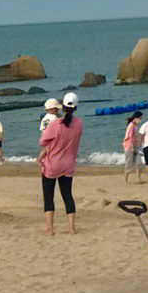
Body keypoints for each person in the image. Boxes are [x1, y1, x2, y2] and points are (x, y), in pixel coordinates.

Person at [38, 90, 83, 236]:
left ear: (62, 107)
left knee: (48, 196)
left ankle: (50, 228)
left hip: (52, 164)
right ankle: (71, 227)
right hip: (68, 164)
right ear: (76, 107)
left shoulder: (56, 124)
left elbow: (42, 141)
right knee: (67, 195)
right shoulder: (79, 124)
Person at [122, 111, 144, 183]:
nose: (140, 120)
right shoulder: (131, 125)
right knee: (129, 162)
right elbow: (130, 137)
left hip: (135, 144)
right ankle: (126, 179)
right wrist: (131, 147)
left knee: (138, 162)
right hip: (129, 145)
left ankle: (138, 179)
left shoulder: (135, 125)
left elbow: (136, 136)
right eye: (139, 118)